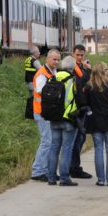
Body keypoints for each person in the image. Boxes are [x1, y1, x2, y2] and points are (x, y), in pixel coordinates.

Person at [47, 56, 82, 186]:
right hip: (68, 119)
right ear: (73, 68)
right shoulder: (73, 80)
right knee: (66, 149)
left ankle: (51, 177)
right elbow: (79, 99)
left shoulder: (53, 77)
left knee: (54, 148)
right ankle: (64, 178)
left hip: (54, 118)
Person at [30, 49, 61, 181]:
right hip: (41, 112)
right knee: (46, 142)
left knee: (50, 142)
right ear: (47, 59)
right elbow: (42, 91)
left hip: (48, 112)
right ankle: (38, 171)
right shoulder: (42, 74)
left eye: (58, 59)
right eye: (54, 59)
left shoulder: (53, 72)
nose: (56, 62)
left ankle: (47, 170)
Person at [69, 44, 93, 180]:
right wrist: (88, 71)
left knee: (80, 138)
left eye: (81, 55)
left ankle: (74, 167)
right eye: (77, 55)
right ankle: (74, 168)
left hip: (83, 106)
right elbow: (81, 82)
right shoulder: (72, 67)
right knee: (77, 139)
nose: (79, 57)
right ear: (73, 54)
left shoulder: (82, 67)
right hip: (76, 108)